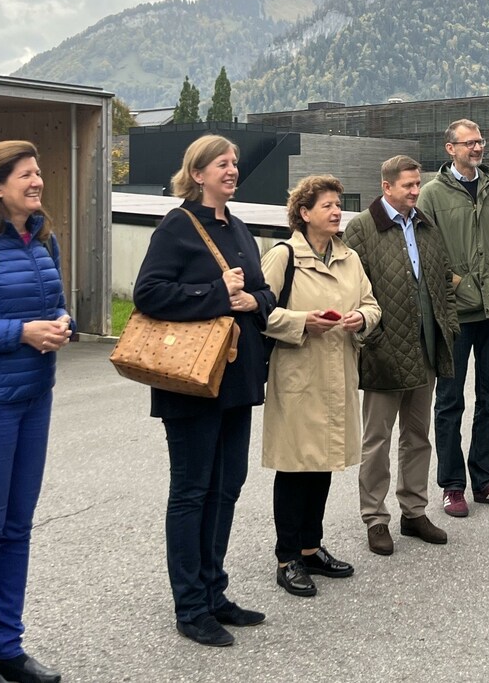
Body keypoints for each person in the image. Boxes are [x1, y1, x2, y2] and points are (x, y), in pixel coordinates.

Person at [133, 135, 276, 647]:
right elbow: (148, 293)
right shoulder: (177, 225)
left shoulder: (237, 227)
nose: (232, 170)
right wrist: (219, 295)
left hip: (235, 379)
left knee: (227, 486)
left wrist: (248, 300)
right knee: (192, 491)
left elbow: (264, 292)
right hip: (191, 381)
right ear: (198, 173)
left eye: (235, 163)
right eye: (223, 163)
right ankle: (190, 606)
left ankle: (215, 592)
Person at [0, 140, 72, 683]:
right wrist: (19, 332)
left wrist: (60, 324)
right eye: (25, 175)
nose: (37, 182)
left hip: (36, 396)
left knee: (18, 527)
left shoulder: (44, 239)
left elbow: (49, 307)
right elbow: (10, 322)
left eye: (38, 173)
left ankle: (8, 644)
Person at [260, 176, 380, 596]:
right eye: (326, 205)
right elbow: (260, 313)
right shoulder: (282, 256)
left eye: (338, 205)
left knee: (323, 464)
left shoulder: (350, 258)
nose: (336, 212)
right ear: (304, 213)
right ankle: (286, 557)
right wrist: (301, 322)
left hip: (339, 373)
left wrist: (361, 319)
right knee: (296, 467)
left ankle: (311, 548)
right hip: (299, 375)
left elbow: (371, 304)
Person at [344, 155, 459, 556]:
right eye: (409, 185)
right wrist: (366, 339)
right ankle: (375, 518)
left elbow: (444, 279)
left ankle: (414, 511)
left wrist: (449, 325)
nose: (415, 191)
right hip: (383, 351)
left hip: (426, 348)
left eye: (417, 184)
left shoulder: (425, 225)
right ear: (386, 186)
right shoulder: (362, 228)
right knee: (376, 441)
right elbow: (350, 290)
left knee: (417, 437)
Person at [416, 119, 489, 518]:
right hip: (455, 315)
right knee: (449, 402)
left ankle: (487, 481)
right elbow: (426, 253)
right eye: (469, 142)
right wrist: (457, 283)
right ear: (450, 148)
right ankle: (452, 485)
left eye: (481, 141)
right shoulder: (431, 195)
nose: (477, 148)